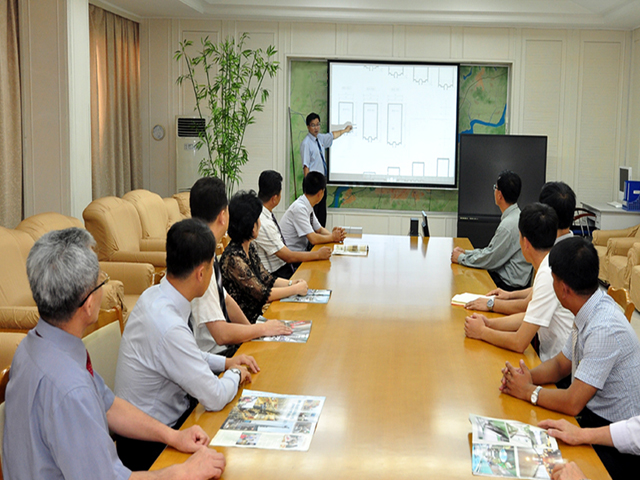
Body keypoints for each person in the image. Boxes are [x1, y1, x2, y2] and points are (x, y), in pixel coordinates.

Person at [3, 227, 226, 479]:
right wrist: (181, 473)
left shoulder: (36, 346)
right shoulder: (70, 389)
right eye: (101, 281)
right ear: (88, 304)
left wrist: (174, 435)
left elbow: (109, 406)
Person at [114, 219, 259, 471]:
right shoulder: (167, 324)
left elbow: (186, 356)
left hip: (161, 427)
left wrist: (226, 362)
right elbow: (214, 396)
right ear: (201, 273)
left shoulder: (155, 295)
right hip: (150, 446)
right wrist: (235, 374)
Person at [499, 236, 640, 479]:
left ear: (563, 288)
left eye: (552, 280)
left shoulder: (604, 328)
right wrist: (526, 377)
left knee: (532, 465)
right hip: (592, 420)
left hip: (616, 445)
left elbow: (573, 402)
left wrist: (528, 392)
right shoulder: (588, 307)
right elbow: (561, 364)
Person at [189, 176, 293, 356]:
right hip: (213, 354)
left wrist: (254, 332)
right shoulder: (200, 262)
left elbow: (226, 300)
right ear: (223, 216)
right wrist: (260, 330)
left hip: (222, 346)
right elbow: (221, 335)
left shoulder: (206, 251)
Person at [464, 203, 573, 362]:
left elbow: (519, 342)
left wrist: (482, 332)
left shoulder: (548, 274)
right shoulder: (550, 263)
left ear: (525, 242)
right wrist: (488, 323)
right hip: (555, 361)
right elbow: (529, 317)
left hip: (559, 369)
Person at [466, 181, 577, 313]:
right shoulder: (572, 248)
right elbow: (538, 291)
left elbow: (528, 308)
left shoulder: (556, 261)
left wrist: (491, 304)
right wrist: (509, 296)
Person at [220, 190, 309, 323]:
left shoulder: (249, 247)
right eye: (258, 219)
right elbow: (262, 294)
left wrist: (291, 283)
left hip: (257, 318)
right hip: (244, 325)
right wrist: (294, 289)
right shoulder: (234, 259)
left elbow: (266, 277)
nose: (260, 223)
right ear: (251, 227)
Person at [451, 170, 532, 291]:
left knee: (465, 281)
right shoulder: (516, 216)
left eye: (495, 187)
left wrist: (461, 258)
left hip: (507, 285)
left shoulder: (508, 225)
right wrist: (467, 253)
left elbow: (490, 258)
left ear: (499, 195)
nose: (494, 191)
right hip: (507, 279)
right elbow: (492, 251)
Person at [254, 170, 332, 279]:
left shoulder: (265, 214)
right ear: (275, 198)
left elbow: (319, 229)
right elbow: (288, 257)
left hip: (285, 266)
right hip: (276, 273)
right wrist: (318, 254)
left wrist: (333, 238)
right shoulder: (264, 222)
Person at [301, 112, 352, 226]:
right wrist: (307, 188)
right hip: (313, 184)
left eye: (318, 124)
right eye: (313, 125)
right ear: (308, 126)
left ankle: (321, 238)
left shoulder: (320, 138)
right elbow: (306, 166)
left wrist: (345, 130)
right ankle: (312, 242)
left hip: (321, 182)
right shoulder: (306, 143)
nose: (316, 128)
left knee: (321, 215)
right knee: (313, 216)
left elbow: (332, 135)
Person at [280, 171, 346, 252]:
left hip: (300, 253)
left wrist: (335, 236)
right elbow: (313, 239)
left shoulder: (307, 205)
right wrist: (333, 237)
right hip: (291, 258)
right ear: (320, 193)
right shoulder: (299, 208)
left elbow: (319, 229)